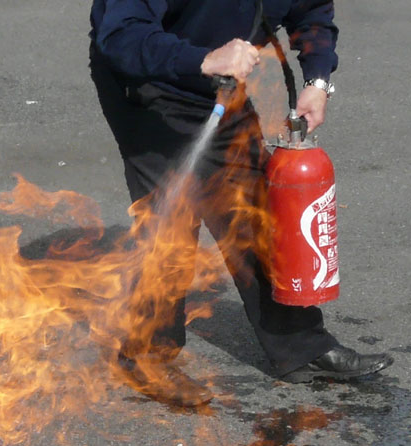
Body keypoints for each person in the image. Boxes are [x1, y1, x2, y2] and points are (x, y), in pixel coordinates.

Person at [88, 0, 393, 406]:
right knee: (170, 217)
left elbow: (311, 12)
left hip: (217, 82)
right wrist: (203, 59)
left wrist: (318, 81)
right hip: (148, 84)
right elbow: (120, 34)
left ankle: (299, 346)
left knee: (252, 206)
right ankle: (147, 356)